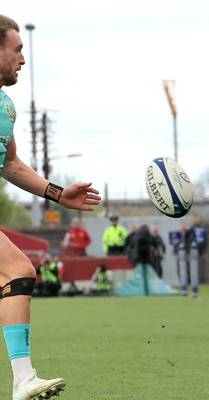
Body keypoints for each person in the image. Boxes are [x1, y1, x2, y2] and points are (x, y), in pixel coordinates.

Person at [0, 14, 101, 399]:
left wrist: (58, 194)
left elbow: (10, 163)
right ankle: (22, 380)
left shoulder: (5, 106)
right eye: (18, 49)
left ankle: (23, 380)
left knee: (17, 273)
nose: (23, 59)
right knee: (16, 270)